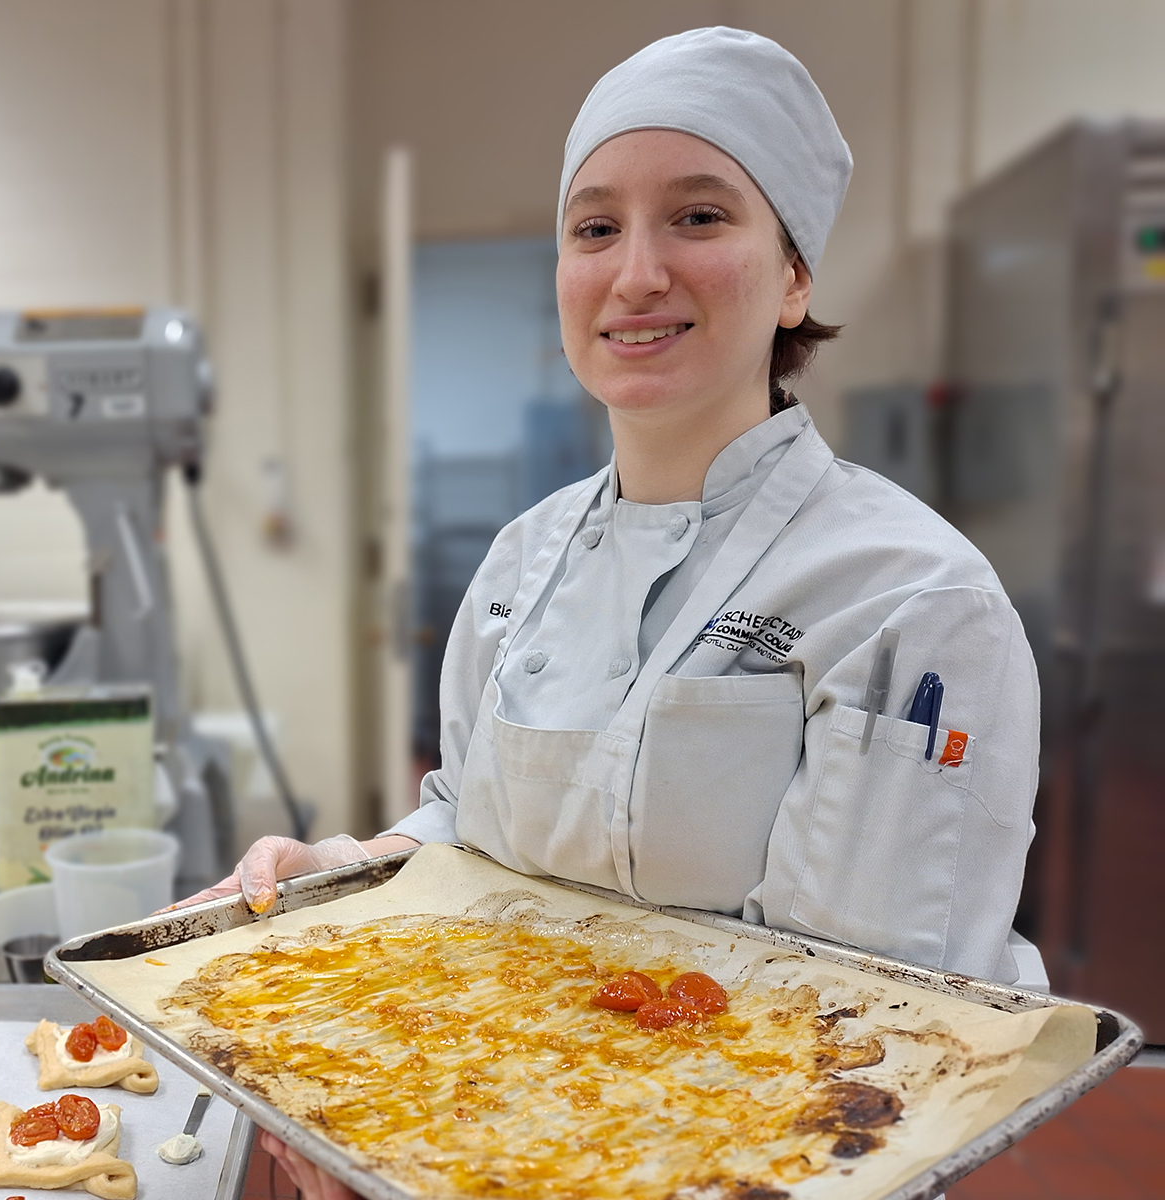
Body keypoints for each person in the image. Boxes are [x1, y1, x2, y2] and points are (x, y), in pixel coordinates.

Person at [177, 27, 1042, 1199]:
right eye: (595, 227)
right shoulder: (519, 562)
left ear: (794, 276)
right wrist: (327, 884)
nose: (636, 273)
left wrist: (419, 1116)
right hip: (503, 1144)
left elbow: (865, 1034)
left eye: (698, 216)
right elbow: (465, 832)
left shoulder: (908, 600)